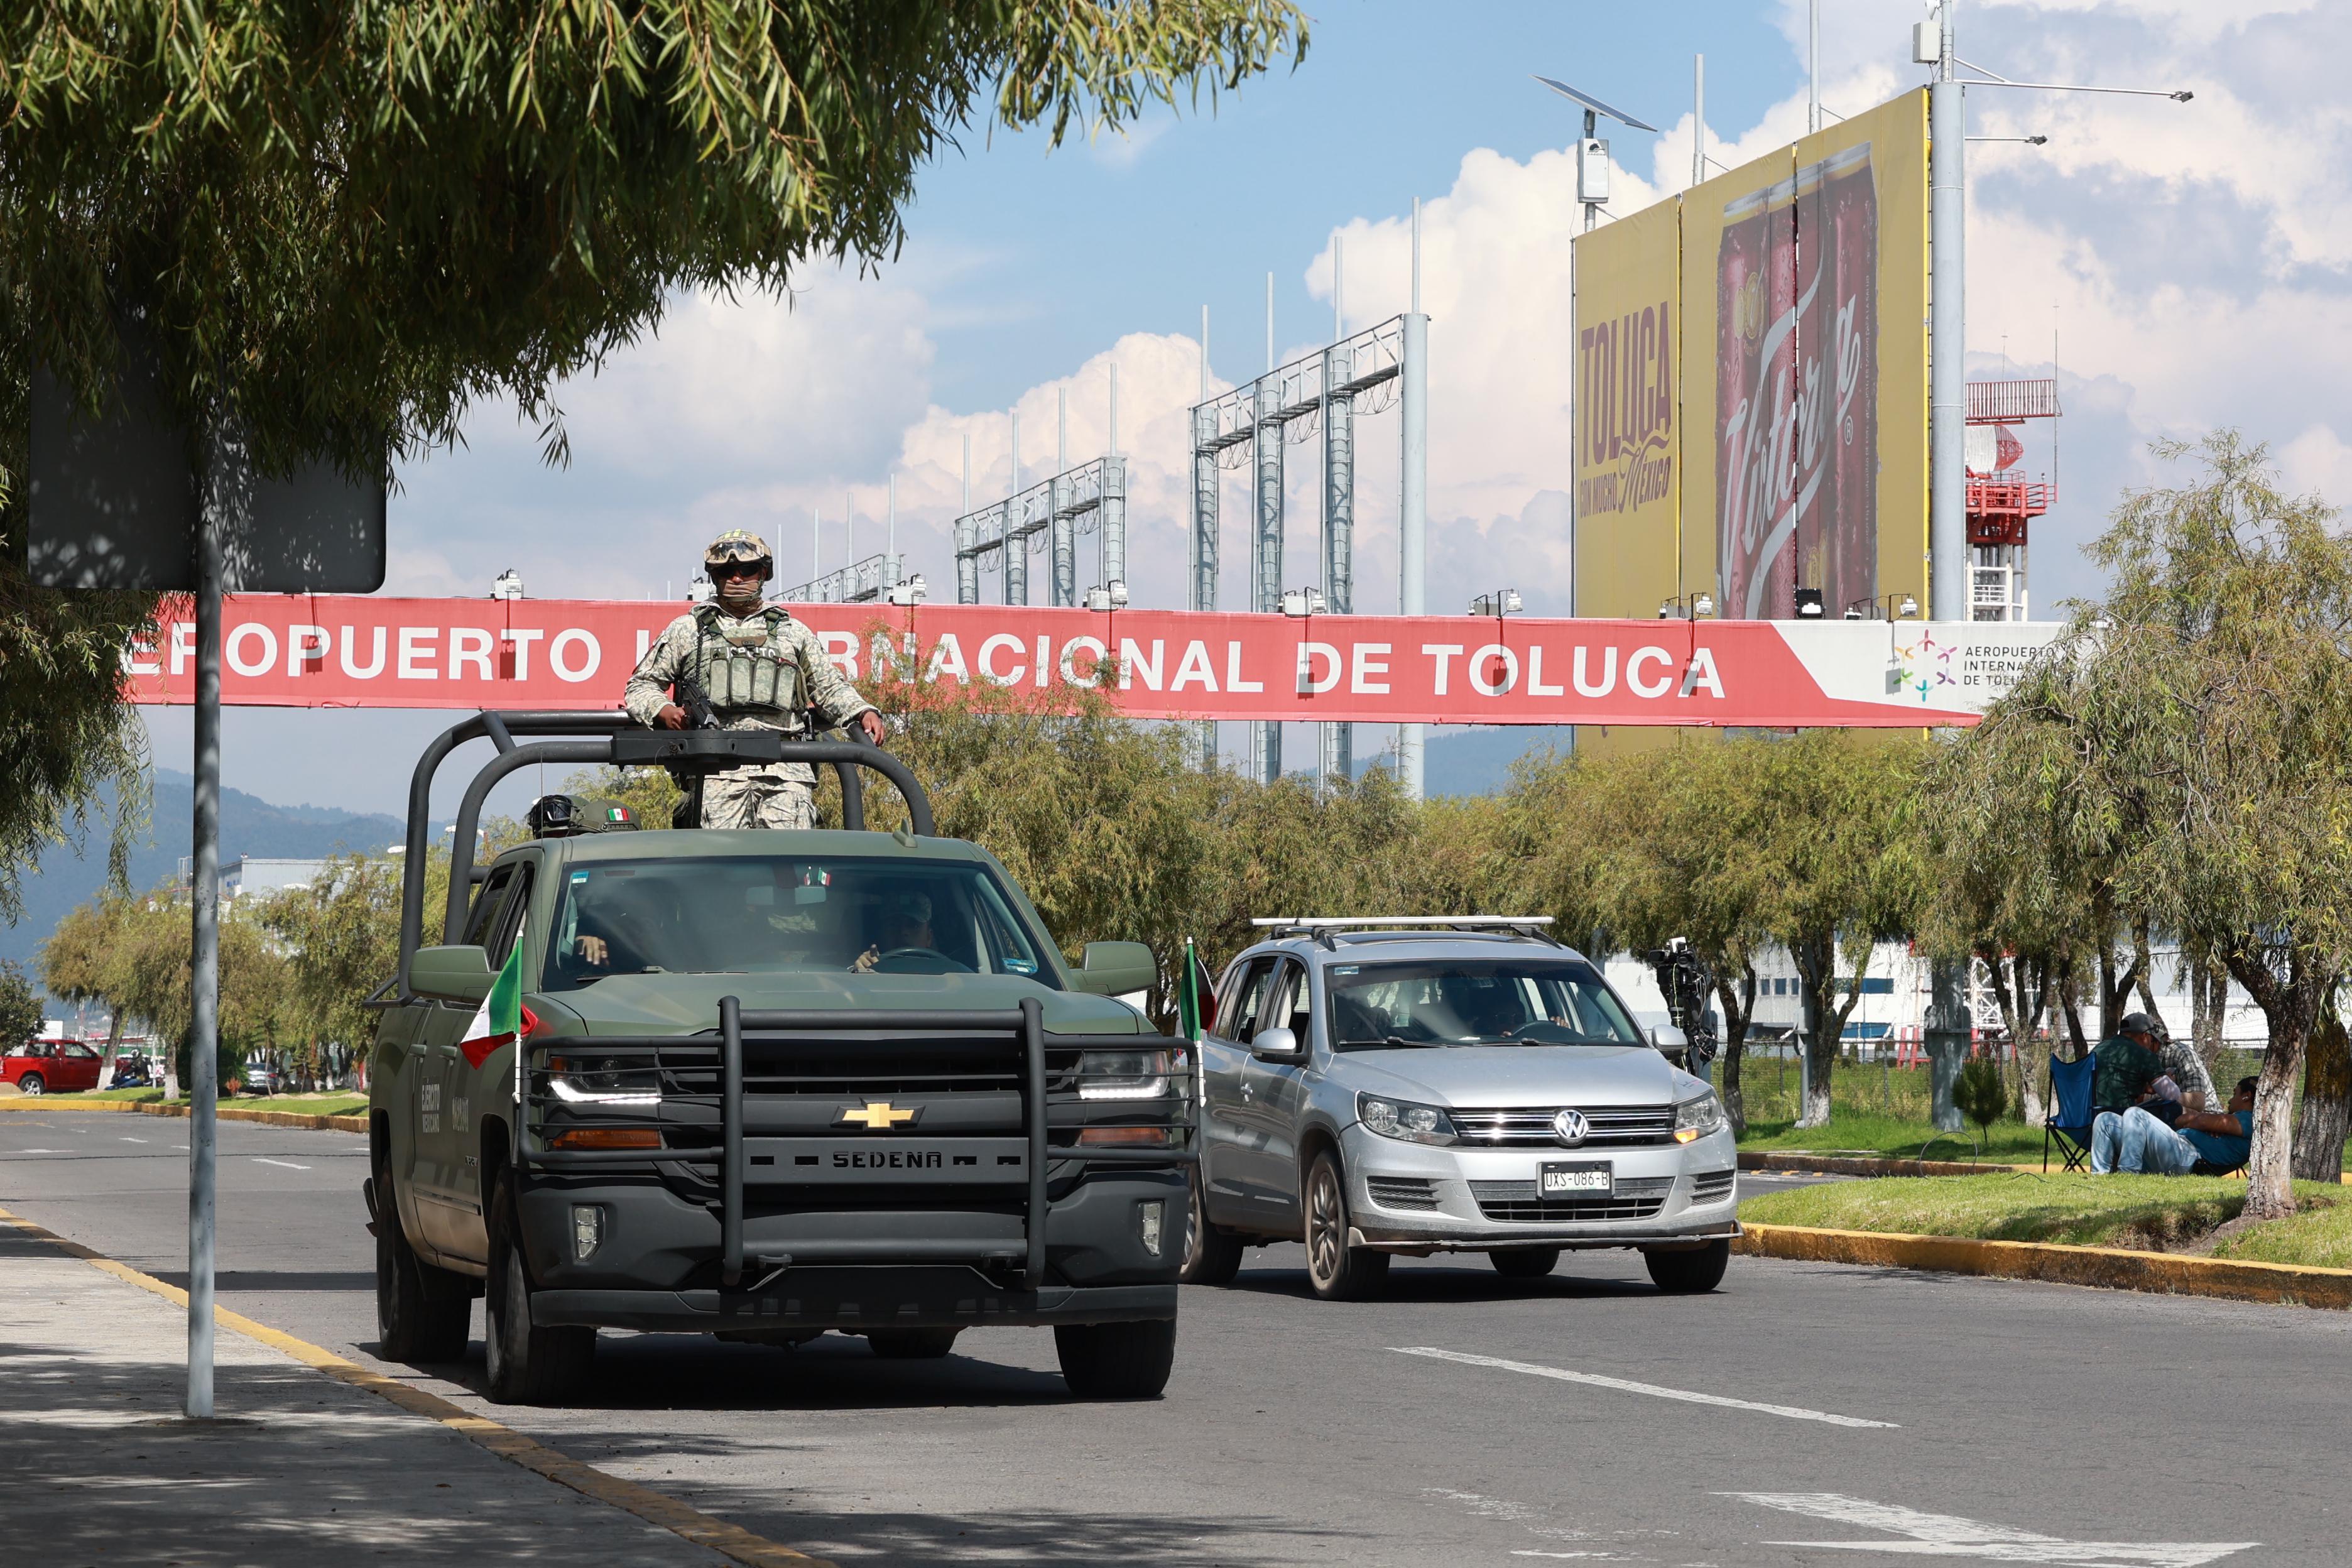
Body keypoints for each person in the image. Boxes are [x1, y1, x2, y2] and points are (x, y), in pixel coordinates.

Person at [623, 530, 886, 829]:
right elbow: (641, 685)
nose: (736, 578)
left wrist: (862, 711)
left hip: (786, 770)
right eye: (726, 571)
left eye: (746, 570)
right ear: (714, 576)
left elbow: (829, 686)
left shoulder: (792, 631)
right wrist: (663, 711)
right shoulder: (688, 629)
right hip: (715, 771)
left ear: (763, 573)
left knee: (789, 869)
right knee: (721, 869)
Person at [2091, 1075, 2257, 1176]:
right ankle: (2099, 1175)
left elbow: (2201, 1121)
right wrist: (2207, 1124)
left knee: (2136, 1114)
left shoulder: (2251, 1120)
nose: (2230, 1100)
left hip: (2190, 1159)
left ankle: (2128, 1174)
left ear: (2246, 1096)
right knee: (2105, 1120)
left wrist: (2206, 1122)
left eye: (2235, 1093)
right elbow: (2180, 1120)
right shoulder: (2231, 1121)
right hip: (2174, 1151)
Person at [2089, 1011, 2168, 1118]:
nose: (2151, 1043)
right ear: (2145, 1035)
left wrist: (2143, 1087)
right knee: (2172, 1107)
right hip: (2120, 1117)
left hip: (2089, 1117)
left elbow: (2114, 1080)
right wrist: (2169, 1079)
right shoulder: (2142, 1053)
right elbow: (2171, 1094)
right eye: (2152, 1038)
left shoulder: (2099, 1048)